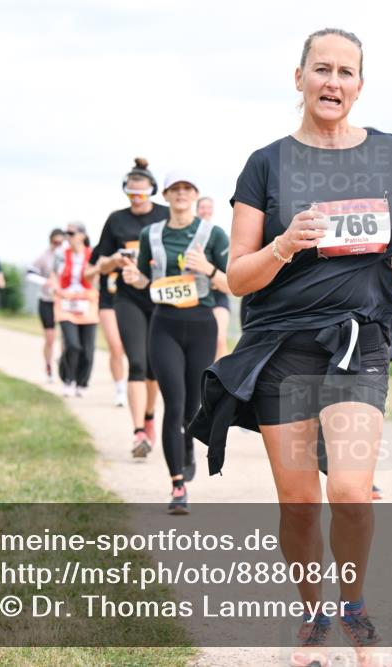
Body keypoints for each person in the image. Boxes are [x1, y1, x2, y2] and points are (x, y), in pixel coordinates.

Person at [188, 28, 392, 667]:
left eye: (346, 72)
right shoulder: (267, 163)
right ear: (298, 77)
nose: (333, 83)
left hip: (361, 340)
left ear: (361, 83)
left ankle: (354, 606)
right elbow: (238, 275)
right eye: (321, 70)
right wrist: (283, 245)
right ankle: (311, 612)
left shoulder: (390, 153)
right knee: (300, 501)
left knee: (352, 492)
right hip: (282, 346)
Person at [123, 172, 230, 514]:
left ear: (196, 194)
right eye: (175, 189)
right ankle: (177, 486)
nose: (181, 194)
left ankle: (187, 445)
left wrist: (210, 270)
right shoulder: (150, 234)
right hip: (165, 324)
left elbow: (233, 285)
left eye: (188, 188)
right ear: (166, 195)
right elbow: (144, 279)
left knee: (193, 409)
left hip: (201, 324)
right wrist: (133, 277)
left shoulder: (213, 234)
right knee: (174, 403)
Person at [92, 158, 168, 458]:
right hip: (127, 298)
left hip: (159, 296)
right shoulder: (116, 220)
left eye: (141, 191)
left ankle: (149, 416)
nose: (136, 196)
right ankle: (138, 432)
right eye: (131, 192)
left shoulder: (164, 216)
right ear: (125, 190)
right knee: (135, 361)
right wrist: (114, 261)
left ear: (152, 190)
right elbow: (99, 263)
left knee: (154, 368)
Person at [51, 222, 99, 397]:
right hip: (66, 304)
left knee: (87, 348)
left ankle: (82, 381)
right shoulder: (60, 255)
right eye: (66, 234)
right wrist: (58, 290)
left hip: (87, 304)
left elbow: (98, 279)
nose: (68, 237)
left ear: (82, 236)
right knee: (72, 344)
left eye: (71, 233)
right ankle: (68, 378)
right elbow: (53, 275)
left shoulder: (93, 255)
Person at [86, 251, 129, 406]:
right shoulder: (101, 249)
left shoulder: (139, 239)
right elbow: (87, 275)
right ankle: (120, 389)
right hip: (108, 303)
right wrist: (104, 264)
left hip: (132, 303)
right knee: (116, 347)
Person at [28, 229, 66, 383]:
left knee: (67, 338)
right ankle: (48, 366)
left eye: (60, 242)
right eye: (55, 242)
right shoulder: (44, 257)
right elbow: (29, 273)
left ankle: (64, 365)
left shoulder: (66, 256)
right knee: (50, 338)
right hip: (46, 301)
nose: (57, 245)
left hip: (63, 302)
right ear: (50, 241)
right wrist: (45, 282)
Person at [197, 196, 232, 361]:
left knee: (218, 340)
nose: (205, 210)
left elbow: (229, 275)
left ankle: (221, 381)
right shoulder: (188, 235)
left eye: (208, 207)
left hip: (217, 295)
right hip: (194, 297)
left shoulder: (218, 234)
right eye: (202, 207)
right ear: (197, 210)